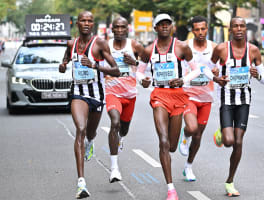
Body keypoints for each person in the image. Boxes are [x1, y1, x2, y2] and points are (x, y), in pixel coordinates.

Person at [138, 13, 226, 200]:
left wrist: (182, 80)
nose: (164, 27)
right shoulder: (148, 50)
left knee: (170, 146)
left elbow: (197, 70)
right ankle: (171, 189)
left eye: (167, 24)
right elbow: (139, 72)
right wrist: (143, 80)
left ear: (172, 27)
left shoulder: (182, 47)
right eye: (160, 24)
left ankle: (179, 146)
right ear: (155, 28)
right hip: (159, 96)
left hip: (178, 97)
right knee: (163, 141)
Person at [59, 11, 120, 199]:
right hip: (78, 93)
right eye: (83, 20)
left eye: (89, 21)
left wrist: (95, 66)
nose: (86, 23)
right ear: (77, 23)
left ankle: (90, 142)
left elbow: (116, 70)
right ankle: (81, 183)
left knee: (90, 133)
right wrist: (62, 66)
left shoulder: (100, 44)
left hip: (97, 96)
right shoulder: (71, 44)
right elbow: (65, 61)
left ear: (92, 24)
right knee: (80, 129)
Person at [211, 16, 264, 197]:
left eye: (242, 26)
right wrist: (215, 76)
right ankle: (221, 133)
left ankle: (230, 181)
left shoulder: (254, 51)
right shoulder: (221, 49)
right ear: (230, 29)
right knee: (228, 141)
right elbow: (207, 68)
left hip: (244, 101)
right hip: (227, 100)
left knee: (238, 142)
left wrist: (257, 75)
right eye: (236, 26)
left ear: (245, 29)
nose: (240, 29)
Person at [178, 16, 220, 181]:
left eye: (203, 29)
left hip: (206, 97)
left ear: (207, 29)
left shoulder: (214, 47)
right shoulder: (185, 47)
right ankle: (185, 134)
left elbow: (218, 69)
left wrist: (217, 73)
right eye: (197, 29)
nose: (200, 32)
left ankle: (188, 166)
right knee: (192, 127)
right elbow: (179, 68)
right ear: (192, 30)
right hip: (188, 95)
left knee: (198, 135)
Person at [105, 17, 146, 183]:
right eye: (117, 27)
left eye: (123, 27)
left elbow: (147, 64)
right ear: (112, 29)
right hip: (111, 92)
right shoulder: (105, 46)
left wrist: (134, 61)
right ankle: (114, 168)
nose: (120, 30)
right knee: (115, 122)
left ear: (127, 28)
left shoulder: (134, 45)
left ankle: (121, 138)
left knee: (124, 128)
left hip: (130, 94)